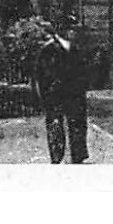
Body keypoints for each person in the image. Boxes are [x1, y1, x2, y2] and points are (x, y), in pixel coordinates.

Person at [31, 13, 95, 164]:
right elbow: (43, 76)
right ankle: (57, 158)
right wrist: (46, 98)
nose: (74, 32)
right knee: (56, 128)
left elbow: (84, 72)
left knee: (78, 125)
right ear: (62, 30)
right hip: (56, 96)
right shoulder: (48, 49)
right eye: (71, 29)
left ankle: (78, 156)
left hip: (75, 95)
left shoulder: (76, 48)